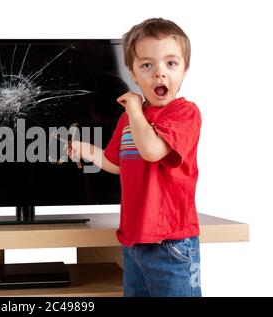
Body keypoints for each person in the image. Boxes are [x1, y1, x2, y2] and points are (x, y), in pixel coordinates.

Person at [69, 17, 202, 297]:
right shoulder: (130, 119)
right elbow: (116, 163)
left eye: (171, 63)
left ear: (185, 69)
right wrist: (85, 149)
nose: (159, 74)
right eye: (147, 65)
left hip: (170, 243)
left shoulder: (184, 114)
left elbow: (152, 151)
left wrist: (135, 110)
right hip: (133, 241)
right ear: (132, 72)